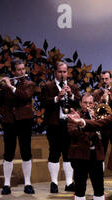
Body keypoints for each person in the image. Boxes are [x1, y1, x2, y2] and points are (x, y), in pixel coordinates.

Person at [67, 93, 112, 200]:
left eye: (90, 103)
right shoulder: (73, 116)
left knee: (99, 187)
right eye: (85, 102)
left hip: (96, 155)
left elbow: (106, 135)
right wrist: (89, 125)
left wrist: (96, 121)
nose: (88, 105)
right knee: (80, 187)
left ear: (94, 104)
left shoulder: (99, 116)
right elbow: (73, 133)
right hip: (80, 156)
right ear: (81, 103)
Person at [0, 59, 36, 195]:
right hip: (9, 122)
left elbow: (25, 96)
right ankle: (6, 184)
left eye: (23, 69)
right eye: (19, 70)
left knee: (26, 151)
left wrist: (10, 85)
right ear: (13, 71)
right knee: (9, 152)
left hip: (24, 121)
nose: (22, 72)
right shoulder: (4, 88)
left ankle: (28, 183)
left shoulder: (29, 84)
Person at [40, 61, 81, 193]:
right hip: (54, 125)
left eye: (64, 72)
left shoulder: (73, 87)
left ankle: (69, 183)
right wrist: (57, 98)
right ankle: (54, 182)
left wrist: (70, 95)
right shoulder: (48, 87)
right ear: (55, 72)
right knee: (54, 153)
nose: (62, 74)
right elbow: (43, 103)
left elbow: (79, 103)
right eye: (60, 72)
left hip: (68, 125)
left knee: (68, 154)